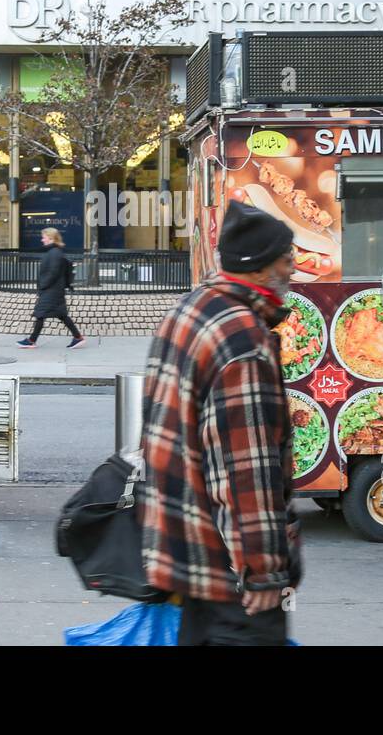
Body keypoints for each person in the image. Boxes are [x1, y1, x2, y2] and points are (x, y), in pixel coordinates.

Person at [139, 200, 301, 645]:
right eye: (287, 257)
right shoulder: (243, 340)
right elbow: (245, 472)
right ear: (260, 267)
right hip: (231, 576)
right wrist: (263, 572)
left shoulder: (191, 309)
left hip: (188, 557)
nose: (294, 268)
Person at [17, 227, 85, 349]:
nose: (42, 240)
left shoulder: (54, 253)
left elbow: (53, 272)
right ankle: (77, 337)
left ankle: (32, 340)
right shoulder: (55, 252)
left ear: (51, 238)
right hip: (54, 290)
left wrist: (43, 285)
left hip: (51, 290)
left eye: (44, 237)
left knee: (41, 314)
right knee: (61, 315)